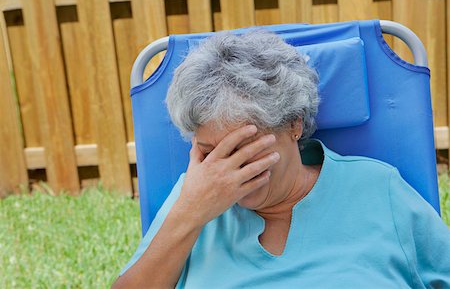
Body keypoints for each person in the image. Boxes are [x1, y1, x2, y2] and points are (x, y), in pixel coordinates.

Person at [111, 29, 450, 289]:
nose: (227, 168)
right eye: (209, 152)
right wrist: (190, 212)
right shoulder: (191, 196)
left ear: (293, 124)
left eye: (244, 146)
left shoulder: (377, 190)